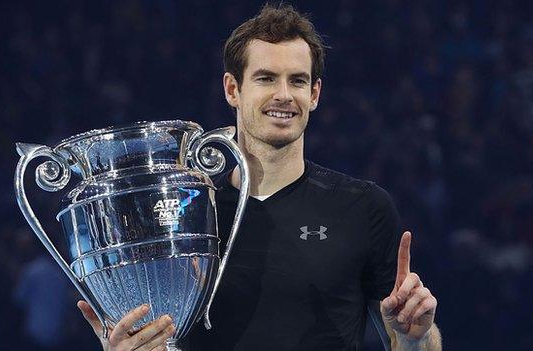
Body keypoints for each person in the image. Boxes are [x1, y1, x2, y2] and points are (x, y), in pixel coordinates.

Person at [77, 4, 442, 350]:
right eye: (266, 78)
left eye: (297, 81)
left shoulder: (364, 208)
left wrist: (415, 338)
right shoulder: (184, 216)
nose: (283, 95)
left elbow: (409, 342)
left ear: (314, 94)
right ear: (232, 89)